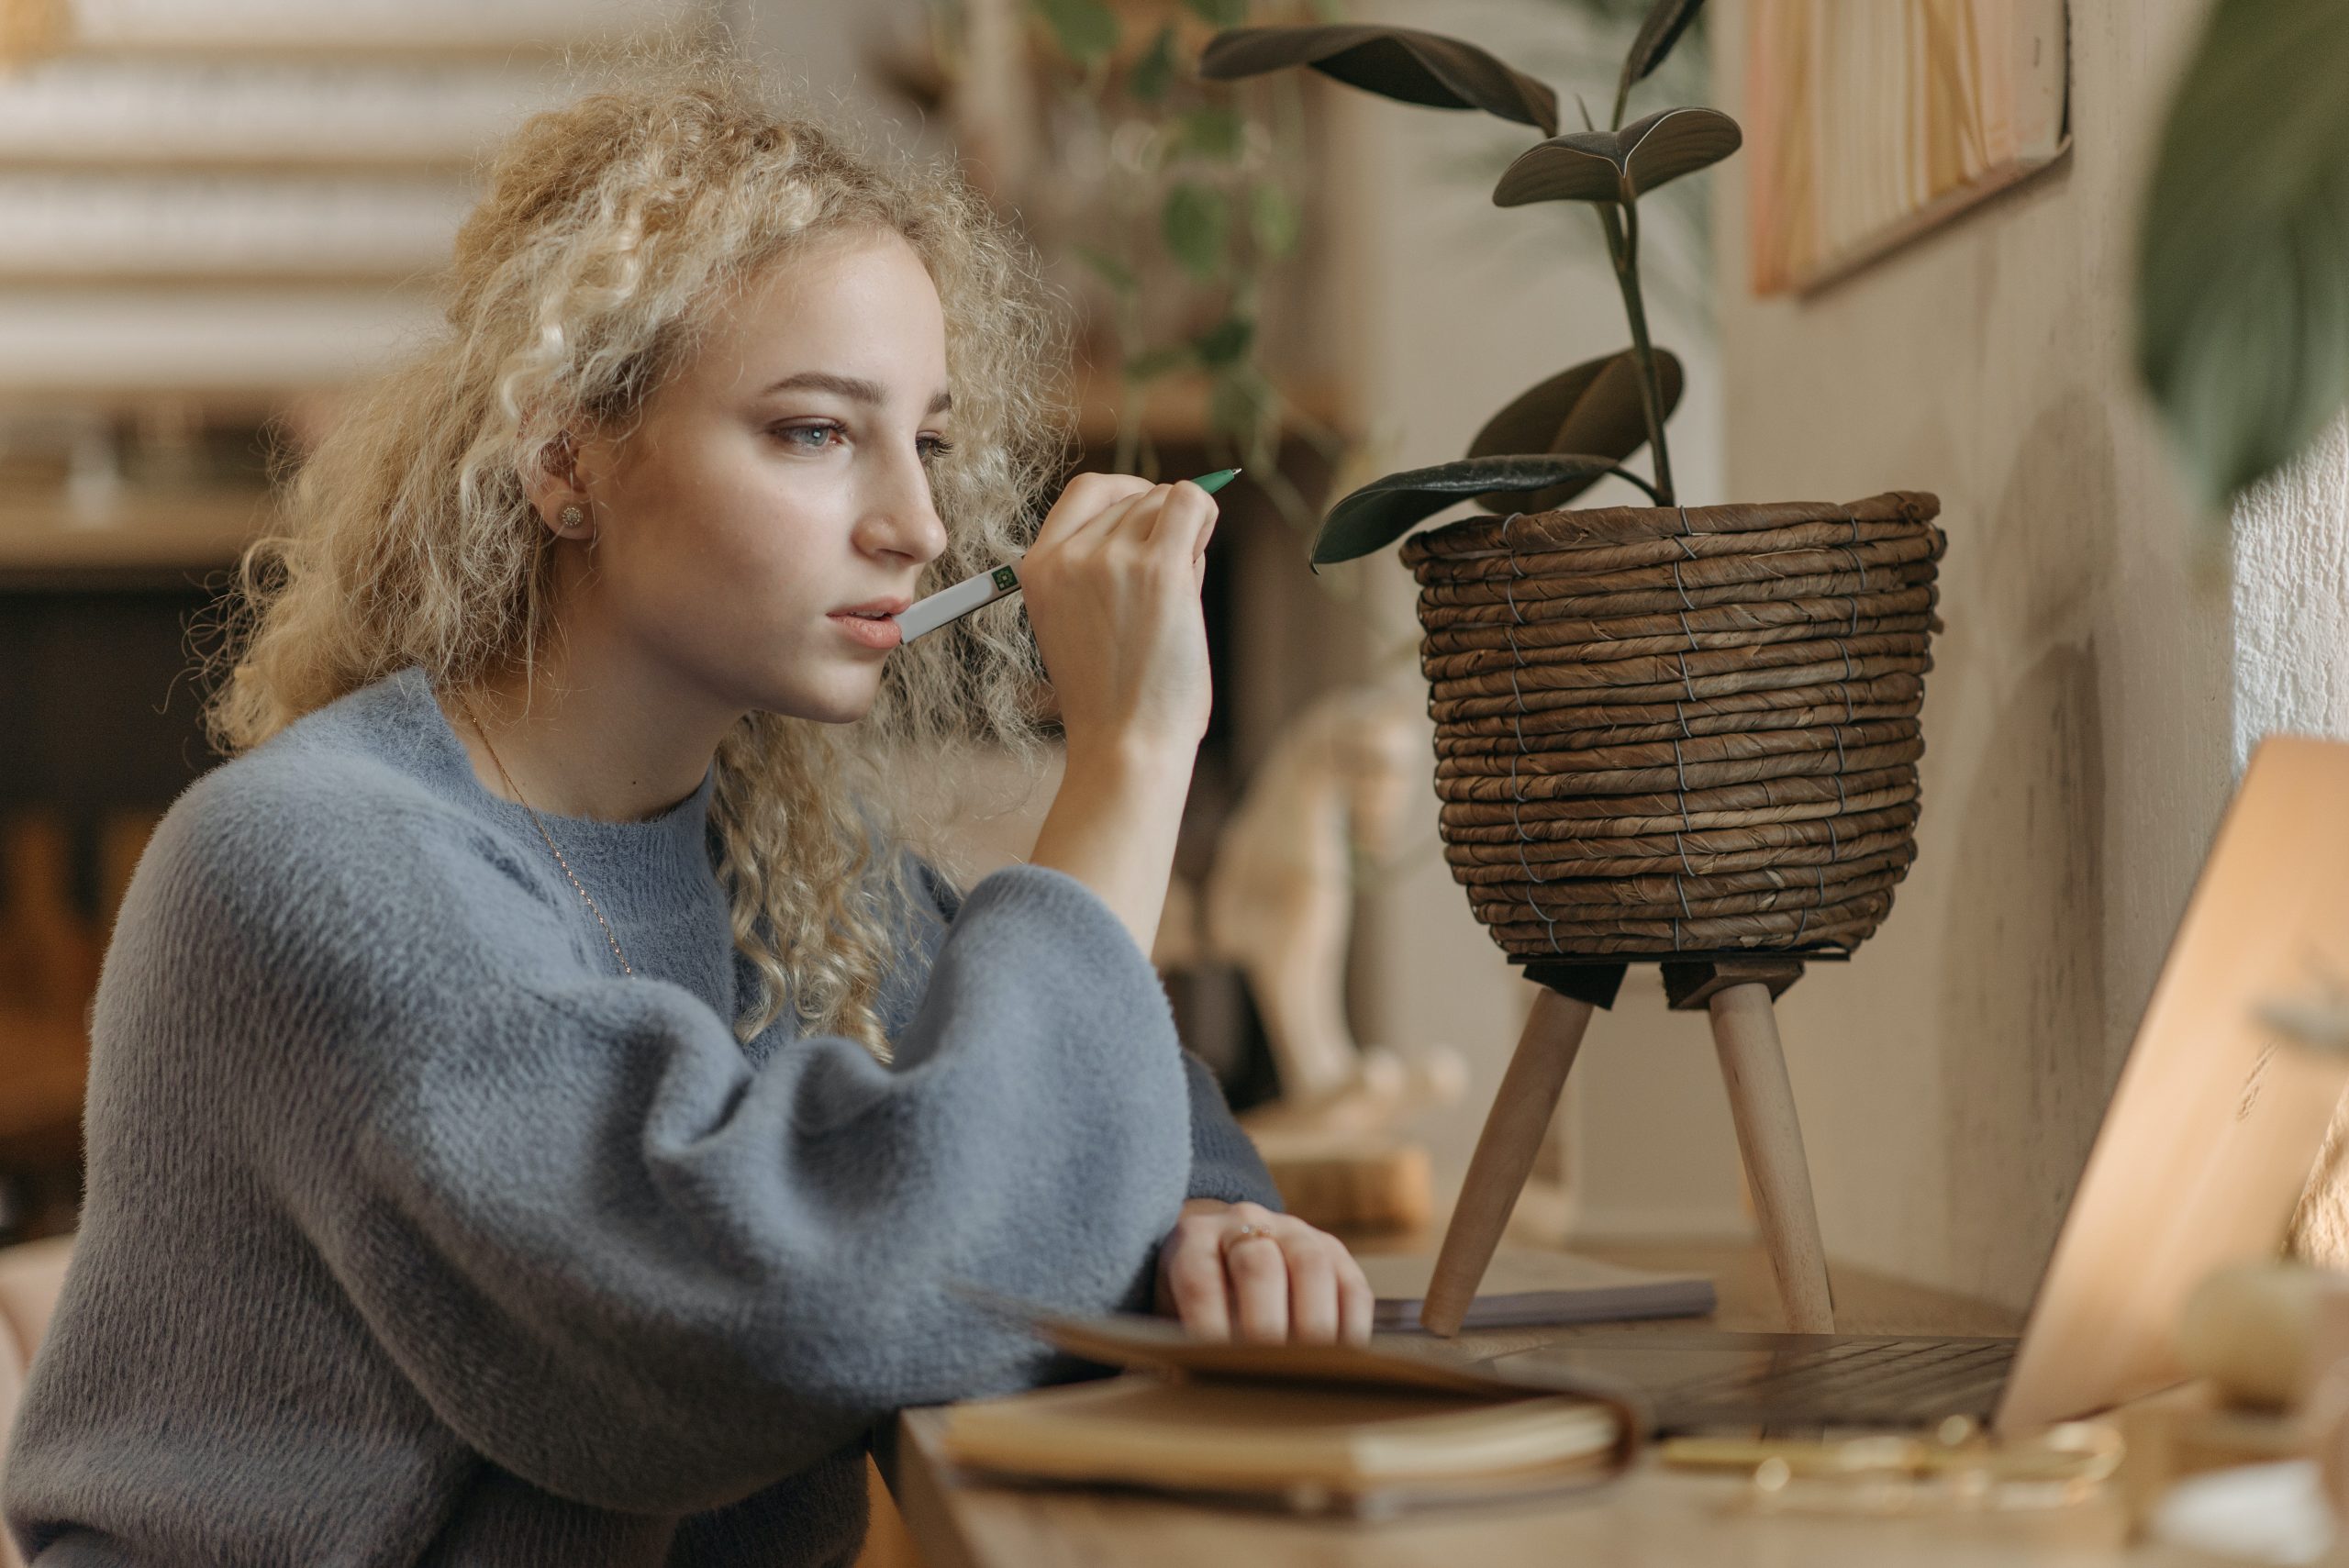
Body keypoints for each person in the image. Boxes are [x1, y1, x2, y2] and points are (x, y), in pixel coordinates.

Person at [2, 54, 1373, 1568]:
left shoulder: (790, 862)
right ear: (564, 452)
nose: (915, 523)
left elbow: (1098, 1102)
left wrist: (1214, 1224)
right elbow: (799, 1313)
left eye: (924, 439)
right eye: (812, 431)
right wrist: (1129, 755)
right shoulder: (309, 867)